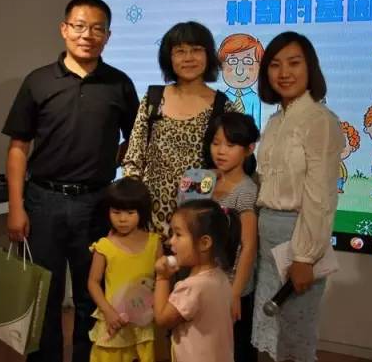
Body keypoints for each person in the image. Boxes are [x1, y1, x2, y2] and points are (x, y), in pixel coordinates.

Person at [2, 0, 139, 362]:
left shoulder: (120, 84)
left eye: (97, 29)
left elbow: (137, 139)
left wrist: (110, 158)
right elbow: (18, 148)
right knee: (41, 293)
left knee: (91, 294)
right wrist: (16, 207)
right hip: (43, 201)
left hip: (97, 203)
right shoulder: (38, 81)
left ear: (107, 36)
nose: (87, 35)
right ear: (64, 29)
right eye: (79, 26)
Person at [251, 31, 344, 362]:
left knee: (294, 339)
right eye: (275, 65)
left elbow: (320, 197)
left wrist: (305, 257)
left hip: (298, 239)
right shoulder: (275, 121)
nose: (284, 73)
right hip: (267, 238)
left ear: (310, 68)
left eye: (294, 63)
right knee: (270, 334)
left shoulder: (320, 121)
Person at [122, 21, 234, 241]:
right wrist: (131, 209)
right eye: (180, 51)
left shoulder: (223, 107)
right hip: (149, 221)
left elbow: (233, 165)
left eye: (196, 50)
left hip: (198, 221)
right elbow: (134, 159)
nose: (188, 58)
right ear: (169, 58)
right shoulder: (153, 99)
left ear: (208, 55)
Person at [153, 199, 240, 362]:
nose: (171, 241)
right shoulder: (221, 276)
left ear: (204, 243)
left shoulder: (192, 288)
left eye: (178, 234)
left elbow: (162, 319)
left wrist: (162, 277)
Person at [204, 112, 259, 362]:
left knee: (233, 350)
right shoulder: (205, 180)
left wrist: (235, 293)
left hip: (231, 287)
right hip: (205, 282)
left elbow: (248, 246)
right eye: (216, 143)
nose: (221, 151)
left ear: (249, 149)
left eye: (230, 144)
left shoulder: (246, 191)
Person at [88, 177, 162, 362]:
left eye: (130, 212)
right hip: (114, 323)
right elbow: (93, 283)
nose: (122, 219)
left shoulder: (155, 243)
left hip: (144, 324)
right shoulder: (104, 246)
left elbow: (162, 279)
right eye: (116, 212)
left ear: (142, 212)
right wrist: (108, 312)